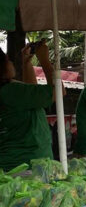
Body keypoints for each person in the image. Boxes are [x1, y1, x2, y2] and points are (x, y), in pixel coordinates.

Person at [0, 43, 60, 171]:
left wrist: (26, 63)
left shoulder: (8, 91)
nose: (11, 63)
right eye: (8, 60)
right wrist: (45, 60)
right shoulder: (11, 91)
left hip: (13, 164)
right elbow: (58, 93)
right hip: (28, 165)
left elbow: (32, 91)